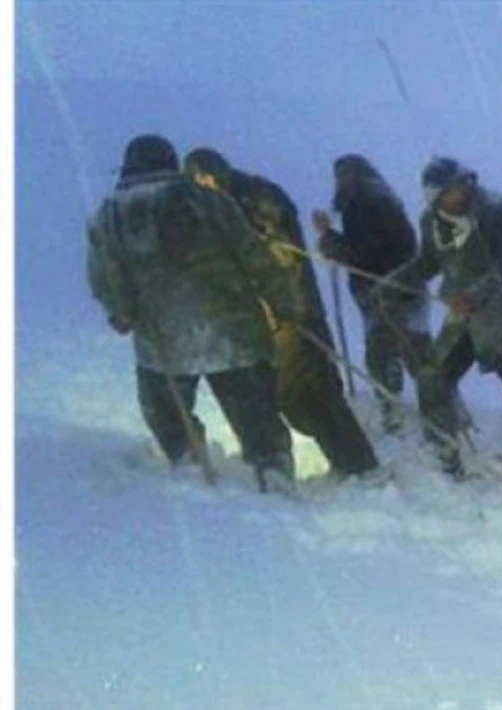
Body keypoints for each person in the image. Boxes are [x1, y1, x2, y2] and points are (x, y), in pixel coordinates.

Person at [86, 134, 302, 493]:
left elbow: (105, 277)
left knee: (166, 411)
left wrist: (121, 313)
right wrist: (286, 305)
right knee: (255, 414)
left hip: (162, 340)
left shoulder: (107, 216)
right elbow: (255, 257)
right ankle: (274, 472)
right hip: (234, 332)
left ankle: (190, 467)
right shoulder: (208, 201)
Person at [183, 148, 379, 479]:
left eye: (207, 180)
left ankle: (360, 466)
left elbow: (280, 252)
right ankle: (348, 464)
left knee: (317, 388)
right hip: (265, 318)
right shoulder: (218, 204)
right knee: (292, 399)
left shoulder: (257, 198)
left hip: (293, 310)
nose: (206, 186)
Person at [408, 156, 502, 477]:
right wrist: (394, 281)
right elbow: (429, 263)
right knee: (432, 377)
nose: (458, 193)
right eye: (449, 191)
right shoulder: (431, 222)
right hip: (461, 323)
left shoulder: (497, 210)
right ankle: (443, 462)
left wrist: (472, 296)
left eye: (460, 185)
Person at [312, 154, 431, 434]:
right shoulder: (382, 199)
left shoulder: (361, 204)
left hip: (384, 292)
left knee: (382, 355)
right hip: (405, 289)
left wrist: (328, 237)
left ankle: (395, 414)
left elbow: (363, 254)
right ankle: (444, 414)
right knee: (418, 354)